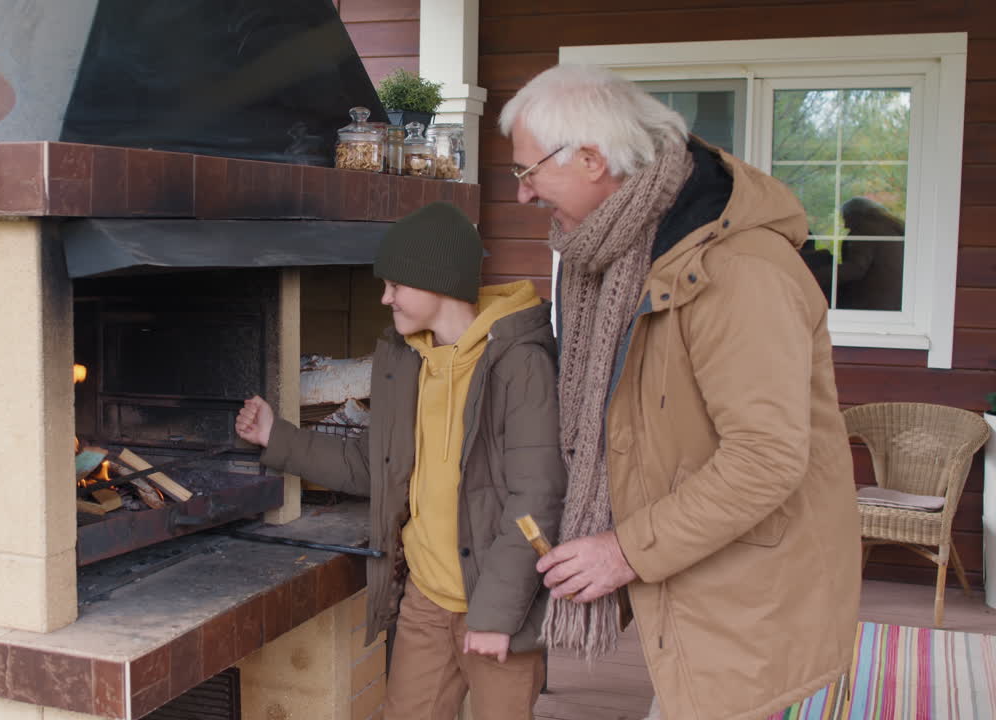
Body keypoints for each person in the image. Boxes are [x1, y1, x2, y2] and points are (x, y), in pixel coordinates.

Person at [498, 64, 861, 719]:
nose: (523, 195)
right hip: (697, 578)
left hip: (746, 594)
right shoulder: (628, 255)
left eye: (527, 173)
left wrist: (624, 550)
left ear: (589, 159)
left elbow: (765, 458)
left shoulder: (737, 272)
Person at [234, 201, 567, 720]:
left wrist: (497, 615)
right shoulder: (407, 359)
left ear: (438, 282)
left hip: (499, 603)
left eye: (395, 284)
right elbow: (376, 466)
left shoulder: (520, 364)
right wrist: (278, 436)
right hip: (426, 599)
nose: (385, 296)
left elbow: (537, 498)